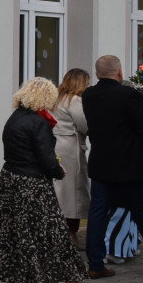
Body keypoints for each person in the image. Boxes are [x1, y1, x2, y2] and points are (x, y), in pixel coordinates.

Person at [0, 77, 101, 283]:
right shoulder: (38, 123)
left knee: (1, 233)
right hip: (33, 185)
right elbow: (46, 160)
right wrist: (59, 171)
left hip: (9, 181)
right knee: (57, 235)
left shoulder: (14, 118)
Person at [81, 55, 143, 279]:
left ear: (96, 74)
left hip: (100, 163)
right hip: (129, 166)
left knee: (97, 214)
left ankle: (95, 264)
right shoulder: (128, 95)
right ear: (119, 71)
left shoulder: (89, 95)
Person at [53, 68, 91, 248]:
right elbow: (84, 125)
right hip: (70, 147)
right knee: (72, 192)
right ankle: (70, 234)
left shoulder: (55, 99)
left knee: (58, 190)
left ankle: (58, 232)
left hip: (55, 145)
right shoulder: (75, 101)